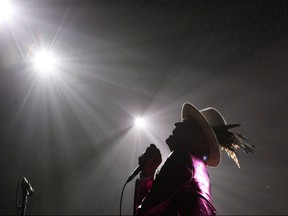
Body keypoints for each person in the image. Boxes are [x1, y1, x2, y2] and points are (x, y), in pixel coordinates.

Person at [133, 102, 255, 216]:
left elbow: (147, 211)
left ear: (200, 138)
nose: (177, 124)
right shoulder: (200, 172)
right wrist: (148, 175)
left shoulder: (183, 158)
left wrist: (147, 177)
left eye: (186, 124)